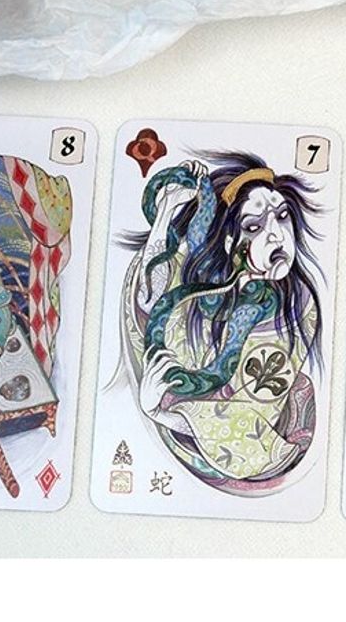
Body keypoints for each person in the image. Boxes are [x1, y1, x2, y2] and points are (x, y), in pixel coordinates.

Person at [120, 152, 323, 494]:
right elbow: (150, 299)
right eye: (254, 226)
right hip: (181, 406)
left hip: (240, 440)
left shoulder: (298, 306)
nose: (277, 236)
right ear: (230, 243)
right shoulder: (208, 280)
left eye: (282, 216)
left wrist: (158, 412)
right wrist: (166, 213)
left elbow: (245, 420)